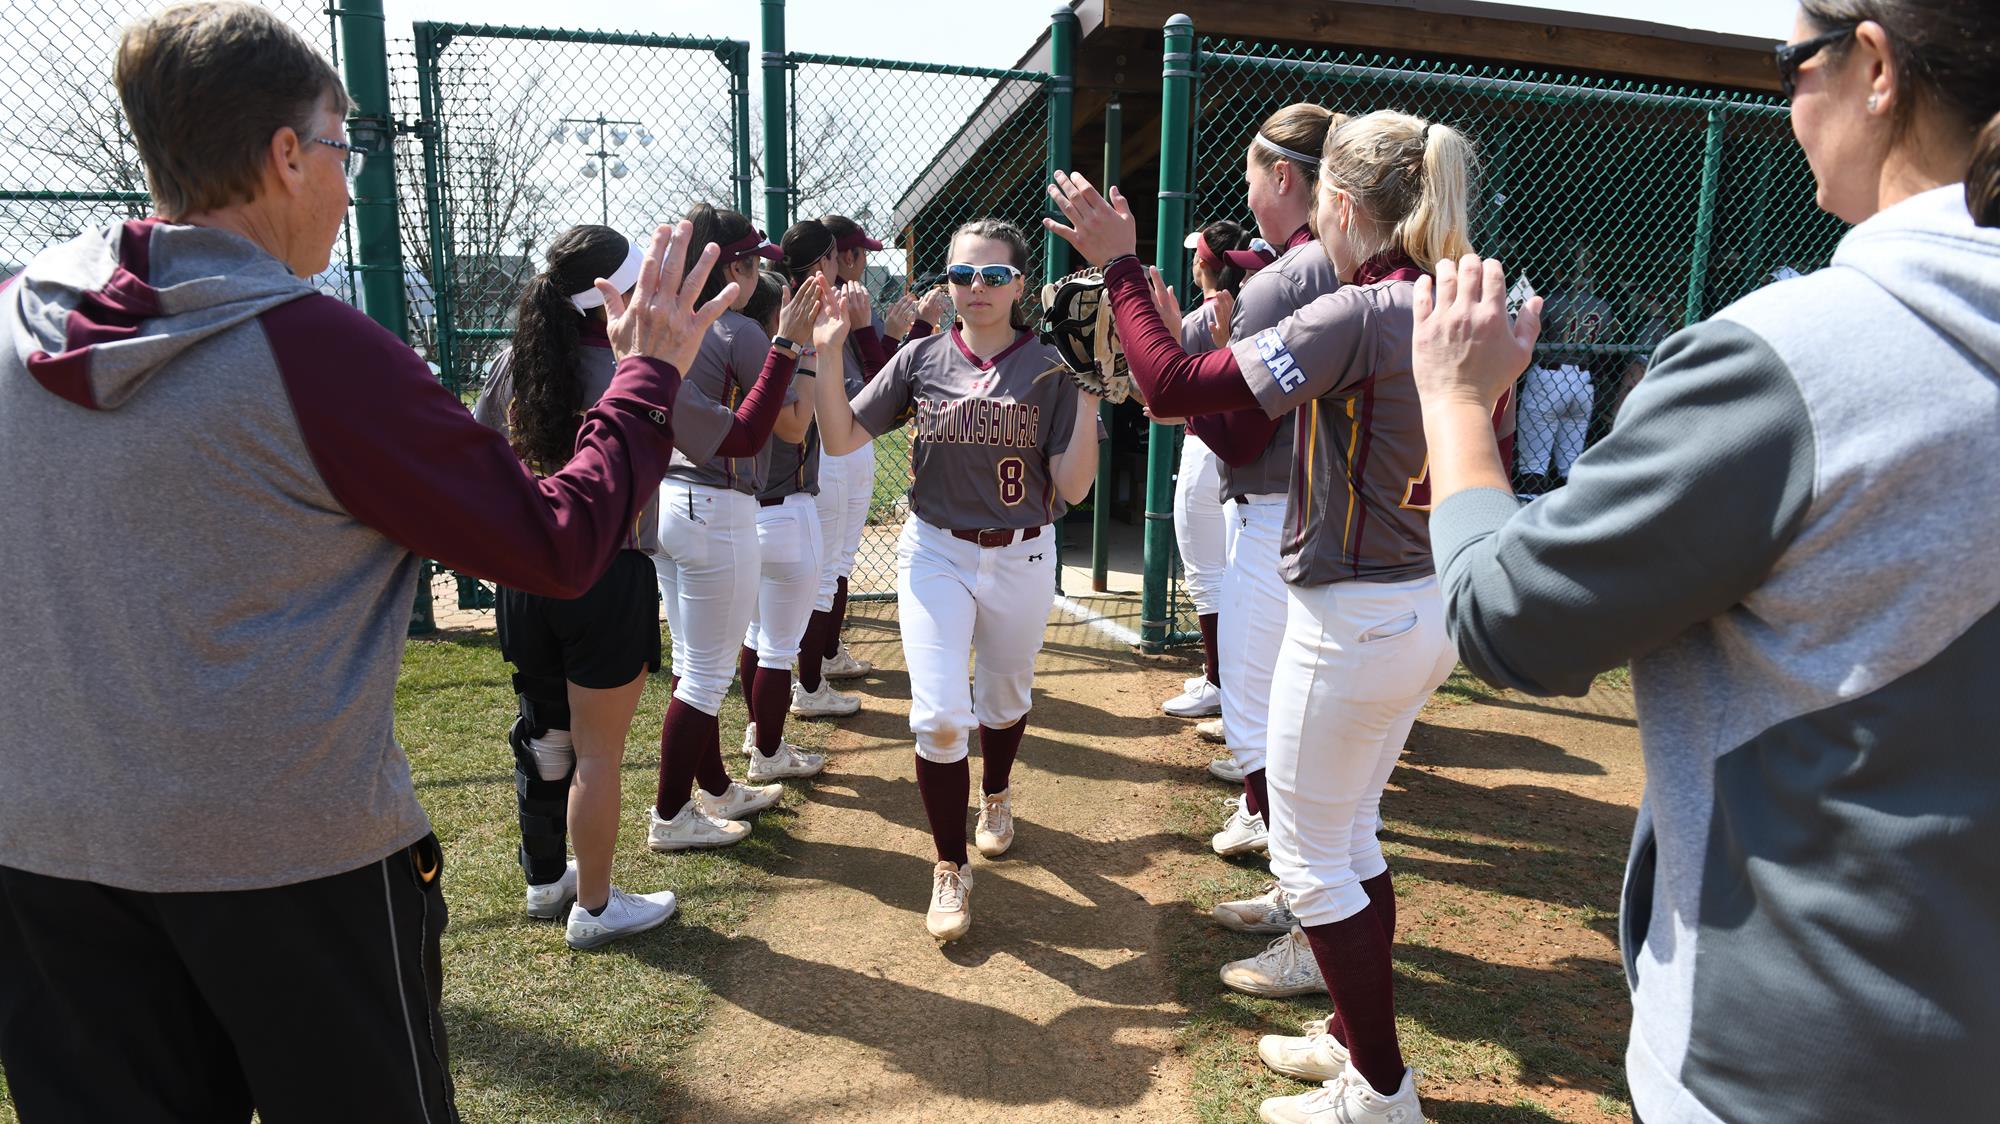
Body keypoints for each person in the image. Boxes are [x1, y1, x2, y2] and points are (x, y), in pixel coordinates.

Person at [0, 3, 730, 1117]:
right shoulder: (314, 351)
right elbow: (556, 545)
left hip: (44, 855)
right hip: (290, 869)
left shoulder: (17, 318)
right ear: (285, 156)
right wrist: (644, 380)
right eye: (340, 148)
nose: (348, 183)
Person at [1410, 2, 2000, 1120]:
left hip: (1789, 1062)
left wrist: (1452, 399)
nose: (1787, 100)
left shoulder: (1797, 358)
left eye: (1791, 64)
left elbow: (1503, 617)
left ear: (1871, 65)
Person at [1047, 105, 1502, 1122]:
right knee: (1349, 838)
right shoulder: (1464, 292)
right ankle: (1354, 1046)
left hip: (1356, 613)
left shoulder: (1357, 309)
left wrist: (1121, 269)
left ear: (1340, 205)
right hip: (1427, 597)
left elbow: (1167, 390)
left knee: (1308, 855)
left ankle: (1381, 1091)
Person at [809, 218, 1101, 942]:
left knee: (1004, 698)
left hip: (1025, 552)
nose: (976, 289)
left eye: (994, 276)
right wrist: (824, 352)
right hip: (935, 549)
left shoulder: (1053, 368)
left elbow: (1074, 486)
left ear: (1020, 286)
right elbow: (843, 436)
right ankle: (949, 865)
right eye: (963, 275)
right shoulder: (920, 358)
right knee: (939, 716)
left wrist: (1093, 392)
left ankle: (995, 791)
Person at [471, 225, 686, 948]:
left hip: (526, 573)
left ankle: (543, 880)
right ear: (609, 295)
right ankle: (594, 908)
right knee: (596, 755)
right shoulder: (636, 367)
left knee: (546, 739)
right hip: (605, 568)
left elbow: (481, 447)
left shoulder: (516, 358)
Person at [646, 204, 814, 851]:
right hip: (717, 504)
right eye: (748, 262)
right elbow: (779, 424)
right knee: (706, 677)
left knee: (694, 666)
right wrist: (793, 346)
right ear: (726, 267)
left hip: (666, 503)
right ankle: (669, 815)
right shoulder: (739, 328)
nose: (753, 272)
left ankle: (712, 788)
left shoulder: (664, 323)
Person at [732, 223, 841, 780]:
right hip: (785, 509)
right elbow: (796, 428)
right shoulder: (775, 360)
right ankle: (770, 755)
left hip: (745, 511)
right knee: (776, 647)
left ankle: (759, 735)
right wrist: (811, 355)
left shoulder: (728, 349)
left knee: (757, 637)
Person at [1159, 217, 1268, 733]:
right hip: (1224, 445)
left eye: (1197, 254)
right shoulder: (1248, 301)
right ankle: (1222, 679)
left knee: (1209, 573)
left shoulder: (1204, 317)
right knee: (1227, 571)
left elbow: (1159, 392)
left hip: (1206, 447)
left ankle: (1221, 683)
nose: (1193, 261)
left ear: (1205, 262)